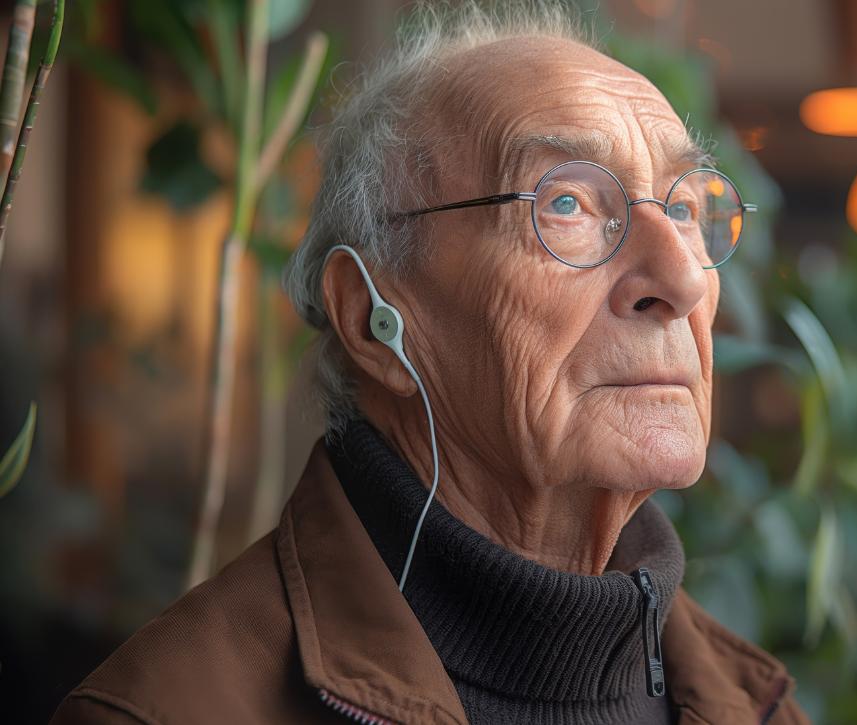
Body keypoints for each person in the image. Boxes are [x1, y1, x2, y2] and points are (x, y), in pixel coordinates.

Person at [52, 2, 804, 723]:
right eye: (567, 203)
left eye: (682, 209)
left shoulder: (754, 703)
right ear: (373, 319)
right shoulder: (168, 710)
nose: (679, 279)